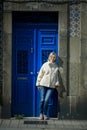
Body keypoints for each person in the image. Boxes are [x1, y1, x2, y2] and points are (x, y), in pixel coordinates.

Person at [36, 52, 60, 120]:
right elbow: (40, 74)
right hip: (43, 84)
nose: (53, 58)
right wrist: (38, 84)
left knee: (46, 100)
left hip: (52, 86)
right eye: (52, 57)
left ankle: (45, 114)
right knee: (42, 100)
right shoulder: (45, 65)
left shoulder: (56, 66)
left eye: (54, 57)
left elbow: (57, 77)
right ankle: (41, 114)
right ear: (49, 57)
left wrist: (57, 84)